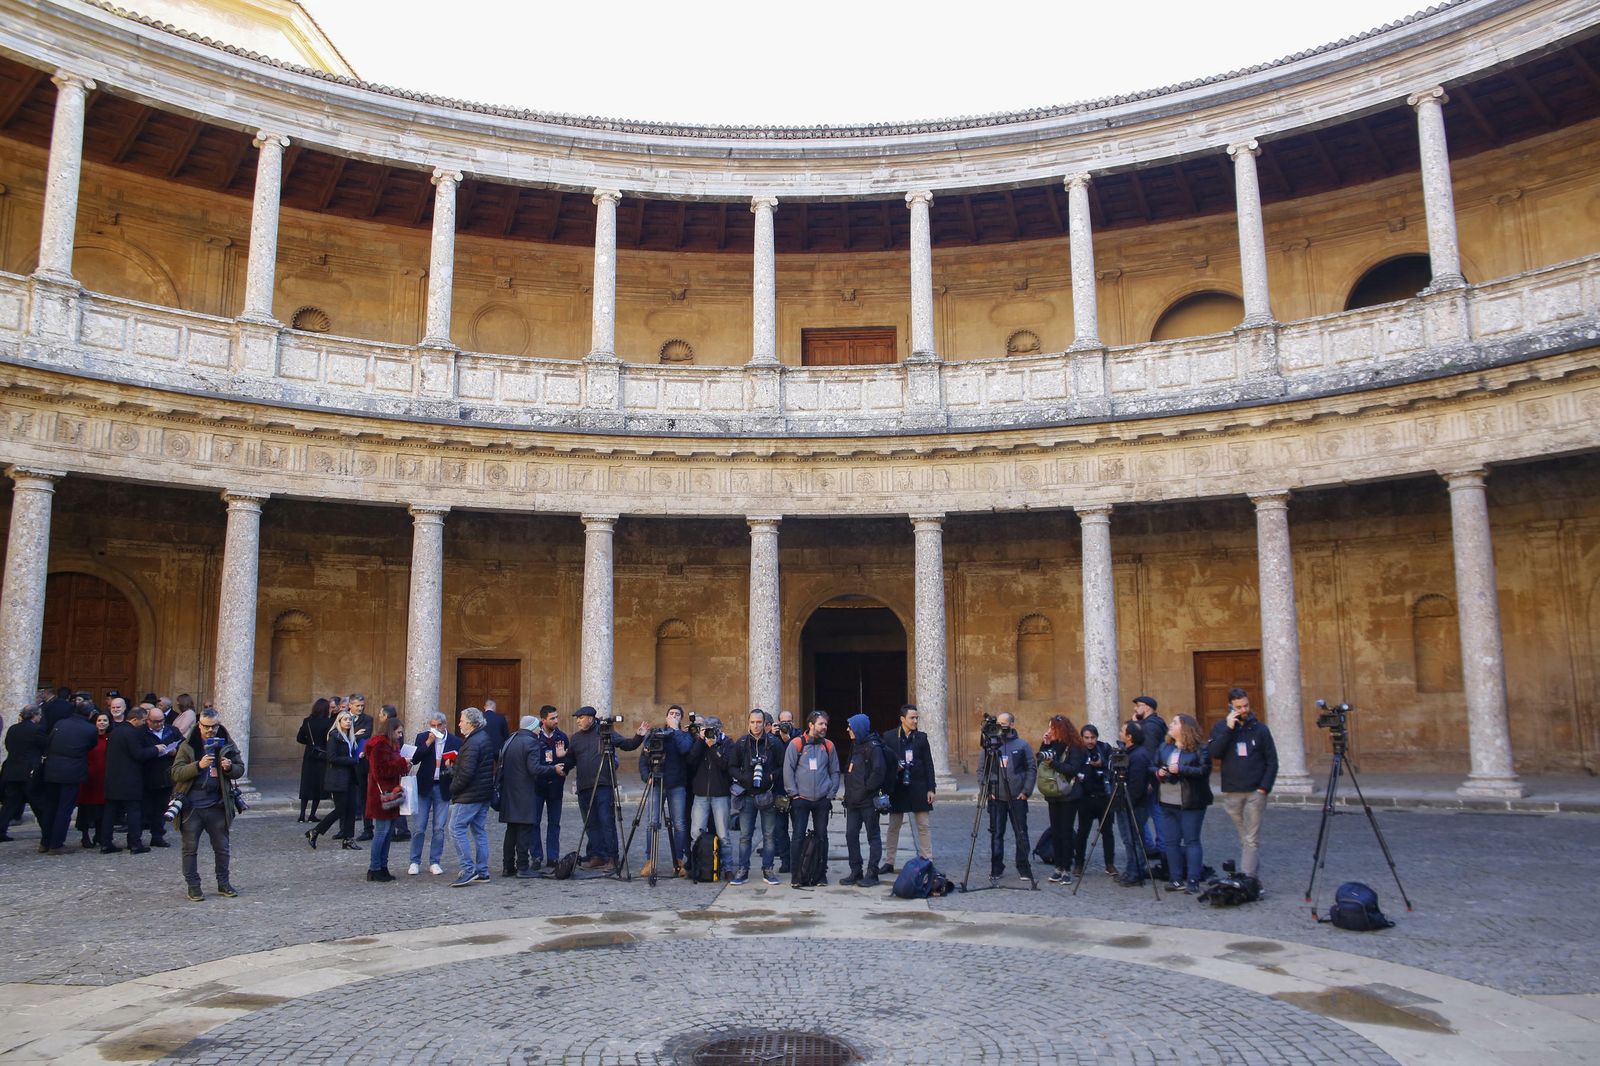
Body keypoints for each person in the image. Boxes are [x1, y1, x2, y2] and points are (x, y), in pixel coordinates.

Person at [171, 707, 244, 901]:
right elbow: (176, 773)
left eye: (214, 726)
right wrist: (198, 765)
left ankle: (224, 883)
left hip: (217, 804)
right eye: (206, 726)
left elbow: (240, 769)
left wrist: (230, 767)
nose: (210, 730)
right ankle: (193, 886)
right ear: (199, 724)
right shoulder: (188, 745)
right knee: (190, 849)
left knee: (222, 848)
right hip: (192, 806)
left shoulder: (227, 743)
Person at [1207, 687, 1278, 885]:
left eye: (1246, 705)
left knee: (1251, 838)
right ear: (1230, 707)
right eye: (1239, 707)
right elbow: (1214, 753)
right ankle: (1252, 874)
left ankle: (1249, 878)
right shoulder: (1221, 727)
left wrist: (1264, 787)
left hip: (1255, 791)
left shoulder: (1260, 729)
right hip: (1233, 791)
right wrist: (1229, 729)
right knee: (1245, 837)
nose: (1244, 710)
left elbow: (1272, 760)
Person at [568, 707, 645, 870]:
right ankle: (597, 856)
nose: (578, 721)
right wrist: (560, 763)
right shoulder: (575, 738)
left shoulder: (605, 733)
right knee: (590, 823)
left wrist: (639, 736)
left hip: (603, 785)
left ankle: (612, 858)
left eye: (581, 717)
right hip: (584, 786)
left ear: (590, 719)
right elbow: (570, 761)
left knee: (606, 821)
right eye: (577, 718)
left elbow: (627, 744)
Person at [1155, 713, 1214, 894]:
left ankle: (1193, 880)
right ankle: (1175, 879)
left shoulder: (1200, 749)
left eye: (1175, 722)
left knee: (1191, 841)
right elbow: (1153, 765)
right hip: (1167, 801)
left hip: (1190, 802)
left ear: (1185, 727)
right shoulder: (1165, 747)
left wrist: (1181, 769)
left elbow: (1204, 770)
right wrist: (1158, 772)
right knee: (1171, 842)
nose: (1170, 725)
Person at [726, 708, 784, 886]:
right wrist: (744, 777)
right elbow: (731, 767)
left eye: (759, 722)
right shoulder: (741, 743)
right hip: (747, 795)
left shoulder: (774, 743)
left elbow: (782, 766)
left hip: (768, 794)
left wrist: (771, 776)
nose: (756, 725)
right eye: (753, 722)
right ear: (748, 723)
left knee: (769, 835)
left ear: (765, 724)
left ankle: (768, 869)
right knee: (745, 836)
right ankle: (743, 870)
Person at [783, 710, 840, 887]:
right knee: (798, 837)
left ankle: (821, 874)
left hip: (822, 799)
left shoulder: (829, 746)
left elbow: (835, 771)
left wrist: (831, 793)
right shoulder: (796, 744)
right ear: (811, 725)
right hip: (801, 799)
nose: (824, 727)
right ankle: (796, 875)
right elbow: (788, 770)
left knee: (822, 836)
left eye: (826, 724)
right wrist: (794, 794)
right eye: (821, 724)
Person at [498, 715, 557, 878]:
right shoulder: (531, 742)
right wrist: (553, 769)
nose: (539, 729)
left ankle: (507, 866)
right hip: (524, 793)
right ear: (532, 727)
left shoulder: (511, 740)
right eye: (538, 726)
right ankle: (523, 867)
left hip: (510, 792)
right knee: (524, 830)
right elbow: (534, 769)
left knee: (511, 830)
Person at [879, 703, 936, 875]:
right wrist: (893, 769)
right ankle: (889, 861)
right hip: (898, 788)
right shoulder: (889, 737)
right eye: (912, 718)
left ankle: (927, 860)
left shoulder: (921, 738)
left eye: (917, 718)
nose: (915, 721)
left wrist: (931, 788)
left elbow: (929, 764)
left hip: (919, 787)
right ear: (902, 719)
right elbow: (883, 762)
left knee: (923, 826)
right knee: (893, 826)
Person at [638, 705, 693, 880]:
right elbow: (644, 758)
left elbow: (685, 750)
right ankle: (650, 861)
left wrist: (675, 730)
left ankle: (678, 861)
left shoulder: (684, 735)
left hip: (677, 784)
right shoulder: (656, 734)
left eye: (677, 714)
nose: (674, 716)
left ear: (681, 718)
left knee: (679, 824)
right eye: (671, 713)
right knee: (652, 822)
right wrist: (646, 776)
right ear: (666, 716)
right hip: (656, 783)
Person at [37, 702, 98, 854]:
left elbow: (50, 741)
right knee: (64, 809)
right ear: (90, 714)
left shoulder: (60, 723)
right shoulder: (90, 729)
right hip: (72, 771)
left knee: (51, 807)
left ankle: (45, 842)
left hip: (52, 769)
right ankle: (56, 844)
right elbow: (91, 745)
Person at [1038, 714, 1089, 885]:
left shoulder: (1075, 747)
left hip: (1069, 794)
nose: (1050, 731)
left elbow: (1072, 769)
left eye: (1052, 728)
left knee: (1066, 832)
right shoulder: (1054, 745)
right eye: (1049, 727)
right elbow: (1041, 763)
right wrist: (1045, 744)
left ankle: (1066, 868)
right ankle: (1058, 867)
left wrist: (1053, 763)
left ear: (1061, 729)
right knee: (1056, 831)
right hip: (1054, 794)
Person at [447, 706, 496, 887]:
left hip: (471, 794)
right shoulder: (482, 738)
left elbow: (467, 773)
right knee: (479, 831)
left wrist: (453, 788)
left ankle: (468, 869)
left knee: (455, 828)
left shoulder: (473, 742)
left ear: (471, 723)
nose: (459, 724)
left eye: (462, 721)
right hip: (482, 793)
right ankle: (482, 871)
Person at [986, 711, 1036, 886]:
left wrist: (1026, 790)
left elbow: (1031, 768)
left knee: (1021, 833)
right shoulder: (991, 746)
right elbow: (982, 770)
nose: (1001, 727)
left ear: (1012, 725)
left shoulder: (1022, 745)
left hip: (1017, 797)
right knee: (996, 834)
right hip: (997, 797)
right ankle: (996, 867)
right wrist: (988, 790)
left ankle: (1024, 867)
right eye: (998, 724)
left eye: (1004, 724)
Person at [101, 705, 159, 853]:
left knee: (110, 812)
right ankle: (134, 843)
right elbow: (138, 754)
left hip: (112, 778)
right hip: (129, 779)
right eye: (143, 720)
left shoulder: (115, 731)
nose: (144, 723)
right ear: (135, 719)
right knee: (133, 812)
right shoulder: (132, 733)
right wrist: (156, 749)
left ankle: (105, 843)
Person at [840, 714, 889, 887]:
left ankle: (872, 873)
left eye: (850, 726)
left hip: (868, 801)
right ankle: (856, 870)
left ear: (858, 728)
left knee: (872, 836)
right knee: (851, 835)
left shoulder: (874, 747)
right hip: (853, 801)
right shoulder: (855, 745)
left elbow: (879, 772)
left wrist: (867, 789)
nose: (848, 729)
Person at [407, 711, 458, 876]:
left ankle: (435, 861)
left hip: (442, 786)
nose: (435, 728)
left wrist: (452, 766)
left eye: (438, 725)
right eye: (433, 725)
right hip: (425, 785)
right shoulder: (423, 737)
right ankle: (414, 861)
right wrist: (428, 743)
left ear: (444, 725)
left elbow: (459, 765)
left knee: (439, 828)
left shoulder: (454, 741)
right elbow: (415, 759)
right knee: (419, 827)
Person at [686, 714, 733, 877]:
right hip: (700, 794)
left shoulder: (727, 743)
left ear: (720, 729)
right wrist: (700, 741)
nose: (710, 732)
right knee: (695, 833)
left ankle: (727, 868)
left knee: (723, 834)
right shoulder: (699, 743)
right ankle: (695, 867)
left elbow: (725, 764)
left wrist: (713, 747)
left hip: (720, 794)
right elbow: (691, 760)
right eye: (706, 729)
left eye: (713, 729)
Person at [363, 716, 409, 882]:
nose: (401, 735)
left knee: (388, 833)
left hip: (391, 793)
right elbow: (380, 771)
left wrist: (404, 764)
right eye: (399, 732)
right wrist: (402, 763)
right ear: (391, 730)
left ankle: (382, 866)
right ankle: (375, 868)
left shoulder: (391, 744)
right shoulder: (380, 745)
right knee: (382, 832)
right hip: (381, 794)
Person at [307, 709, 361, 849]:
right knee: (341, 809)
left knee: (351, 808)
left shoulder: (349, 738)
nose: (348, 722)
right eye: (345, 720)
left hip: (350, 777)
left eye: (349, 720)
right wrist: (352, 760)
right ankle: (316, 831)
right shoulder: (334, 736)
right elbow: (331, 757)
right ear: (339, 721)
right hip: (338, 778)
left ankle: (348, 839)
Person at [527, 706, 571, 873]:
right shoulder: (534, 737)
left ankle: (553, 856)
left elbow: (569, 761)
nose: (556, 721)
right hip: (537, 785)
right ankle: (536, 856)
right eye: (552, 718)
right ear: (543, 720)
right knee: (534, 822)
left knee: (554, 823)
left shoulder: (562, 737)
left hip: (556, 786)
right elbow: (532, 763)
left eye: (556, 717)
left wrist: (564, 760)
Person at [1114, 719, 1156, 886]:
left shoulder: (1138, 756)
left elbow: (1136, 785)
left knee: (1134, 839)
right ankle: (1131, 869)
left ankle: (1136, 871)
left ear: (1129, 736)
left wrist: (1127, 801)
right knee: (1128, 839)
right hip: (1125, 802)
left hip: (1133, 805)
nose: (1120, 733)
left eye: (1122, 731)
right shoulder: (1130, 753)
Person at [1078, 723, 1117, 877]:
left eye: (1092, 738)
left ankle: (1110, 864)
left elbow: (1113, 767)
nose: (1090, 741)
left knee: (1107, 832)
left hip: (1103, 796)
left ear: (1097, 737)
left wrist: (1103, 764)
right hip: (1085, 797)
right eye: (1087, 738)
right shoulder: (1078, 751)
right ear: (1082, 738)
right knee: (1083, 832)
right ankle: (1079, 864)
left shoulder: (1104, 749)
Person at [0, 705, 45, 842]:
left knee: (9, 804)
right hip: (29, 772)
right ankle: (48, 832)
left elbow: (8, 746)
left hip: (12, 770)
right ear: (34, 715)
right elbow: (45, 745)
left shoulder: (13, 729)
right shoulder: (37, 729)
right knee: (37, 803)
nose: (40, 717)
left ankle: (1, 830)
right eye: (39, 715)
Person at [1132, 695, 1166, 856]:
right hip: (1151, 774)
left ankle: (1157, 847)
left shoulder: (1151, 727)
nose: (1135, 709)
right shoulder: (1150, 724)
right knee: (1153, 810)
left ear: (1147, 707)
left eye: (1138, 705)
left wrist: (1150, 779)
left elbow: (1149, 753)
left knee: (1149, 811)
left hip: (1149, 776)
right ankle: (1154, 846)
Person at [143, 706, 181, 848]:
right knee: (145, 808)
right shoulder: (142, 732)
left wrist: (175, 751)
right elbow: (137, 751)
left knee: (161, 807)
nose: (159, 724)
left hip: (165, 775)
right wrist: (154, 750)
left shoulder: (172, 731)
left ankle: (157, 836)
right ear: (148, 721)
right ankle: (136, 837)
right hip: (147, 775)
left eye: (161, 721)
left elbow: (183, 745)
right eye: (155, 722)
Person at [75, 710, 112, 850]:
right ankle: (85, 836)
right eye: (99, 720)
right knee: (86, 808)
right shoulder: (88, 737)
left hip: (104, 778)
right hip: (89, 777)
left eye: (105, 720)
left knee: (102, 808)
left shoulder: (111, 738)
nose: (102, 723)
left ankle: (100, 835)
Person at [377, 704, 412, 842]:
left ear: (385, 716)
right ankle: (399, 830)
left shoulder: (391, 736)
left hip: (391, 777)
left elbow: (386, 765)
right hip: (391, 775)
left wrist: (403, 763)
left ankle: (401, 830)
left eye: (381, 714)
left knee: (396, 801)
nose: (379, 717)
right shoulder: (384, 739)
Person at [295, 698, 332, 823]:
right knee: (318, 786)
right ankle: (312, 815)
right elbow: (329, 740)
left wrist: (310, 744)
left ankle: (302, 815)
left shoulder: (307, 721)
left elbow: (299, 738)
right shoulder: (328, 722)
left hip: (309, 755)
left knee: (306, 784)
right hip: (321, 756)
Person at [770, 709, 797, 871]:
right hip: (780, 791)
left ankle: (796, 860)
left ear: (793, 722)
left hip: (796, 791)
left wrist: (789, 740)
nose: (786, 725)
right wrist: (773, 736)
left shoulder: (799, 738)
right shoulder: (773, 739)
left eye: (789, 721)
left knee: (798, 828)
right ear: (778, 723)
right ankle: (785, 860)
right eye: (783, 722)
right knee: (780, 829)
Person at [348, 694, 374, 841]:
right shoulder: (342, 717)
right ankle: (344, 829)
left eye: (362, 706)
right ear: (350, 705)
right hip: (345, 761)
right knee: (345, 796)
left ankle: (368, 829)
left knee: (364, 795)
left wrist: (349, 735)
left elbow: (366, 735)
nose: (360, 708)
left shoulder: (368, 719)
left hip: (361, 762)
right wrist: (354, 734)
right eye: (357, 705)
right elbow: (336, 736)